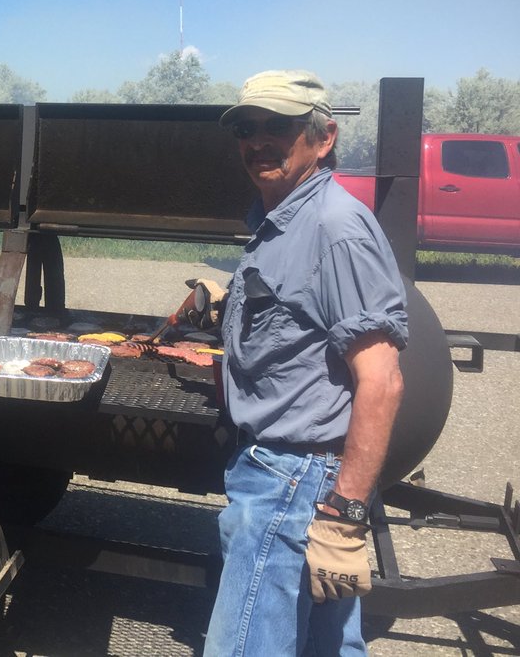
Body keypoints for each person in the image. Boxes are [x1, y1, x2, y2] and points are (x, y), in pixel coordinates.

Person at [203, 70, 407, 656]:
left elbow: (383, 380)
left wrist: (343, 513)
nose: (258, 141)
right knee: (327, 648)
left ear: (324, 138)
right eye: (247, 128)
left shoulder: (334, 227)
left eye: (279, 127)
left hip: (293, 482)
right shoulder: (281, 217)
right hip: (292, 477)